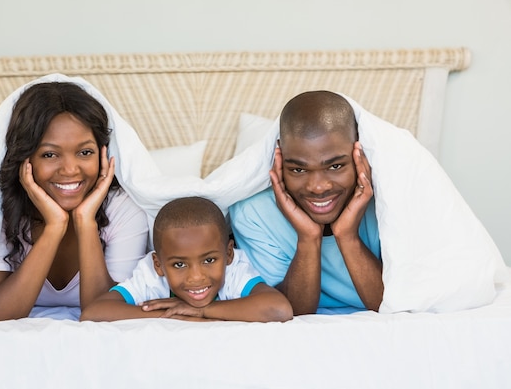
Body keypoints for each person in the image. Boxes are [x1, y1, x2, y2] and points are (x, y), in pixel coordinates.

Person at [0, 82, 149, 322]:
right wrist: (54, 227)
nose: (70, 170)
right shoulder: (0, 207)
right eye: (50, 154)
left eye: (85, 152)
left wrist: (86, 223)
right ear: (25, 158)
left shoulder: (123, 209)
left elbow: (101, 313)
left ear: (103, 154)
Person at [229, 90, 383, 315]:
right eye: (298, 169)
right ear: (279, 158)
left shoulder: (387, 204)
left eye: (335, 166)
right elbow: (291, 312)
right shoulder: (252, 214)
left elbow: (390, 304)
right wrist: (308, 238)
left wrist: (347, 236)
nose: (318, 187)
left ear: (358, 154)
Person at [80, 196, 293, 322]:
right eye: (179, 264)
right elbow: (93, 313)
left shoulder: (234, 270)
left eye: (209, 260)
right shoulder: (150, 276)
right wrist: (170, 313)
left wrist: (201, 311)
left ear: (229, 253)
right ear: (158, 265)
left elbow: (279, 308)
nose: (196, 277)